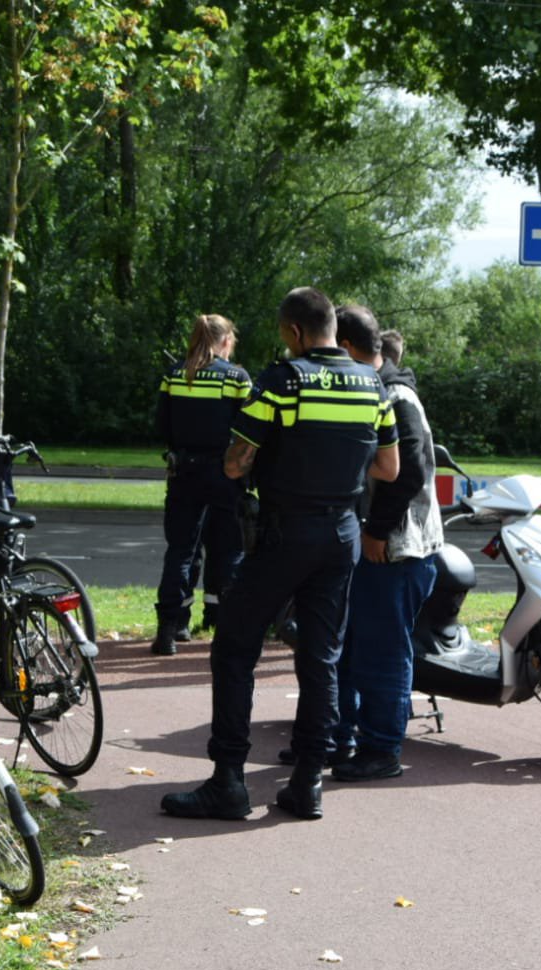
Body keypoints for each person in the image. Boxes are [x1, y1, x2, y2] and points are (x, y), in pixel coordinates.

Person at [161, 287, 398, 822]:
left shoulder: (283, 380)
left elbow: (235, 464)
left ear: (294, 332)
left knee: (234, 649)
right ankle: (307, 782)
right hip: (342, 536)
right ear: (333, 327)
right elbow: (389, 469)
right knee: (321, 659)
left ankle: (228, 781)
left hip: (285, 532)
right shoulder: (372, 385)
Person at [321, 317, 443, 782]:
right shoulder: (381, 387)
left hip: (398, 547)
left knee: (385, 652)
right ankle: (343, 738)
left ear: (349, 346)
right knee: (355, 646)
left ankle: (383, 749)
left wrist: (375, 530)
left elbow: (406, 472)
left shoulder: (394, 395)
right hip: (386, 544)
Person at [151, 314, 252, 656]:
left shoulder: (175, 374)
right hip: (224, 474)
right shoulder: (236, 378)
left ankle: (170, 628)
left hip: (183, 472)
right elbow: (249, 427)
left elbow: (161, 425)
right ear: (225, 341)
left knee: (180, 551)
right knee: (229, 551)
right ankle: (226, 624)